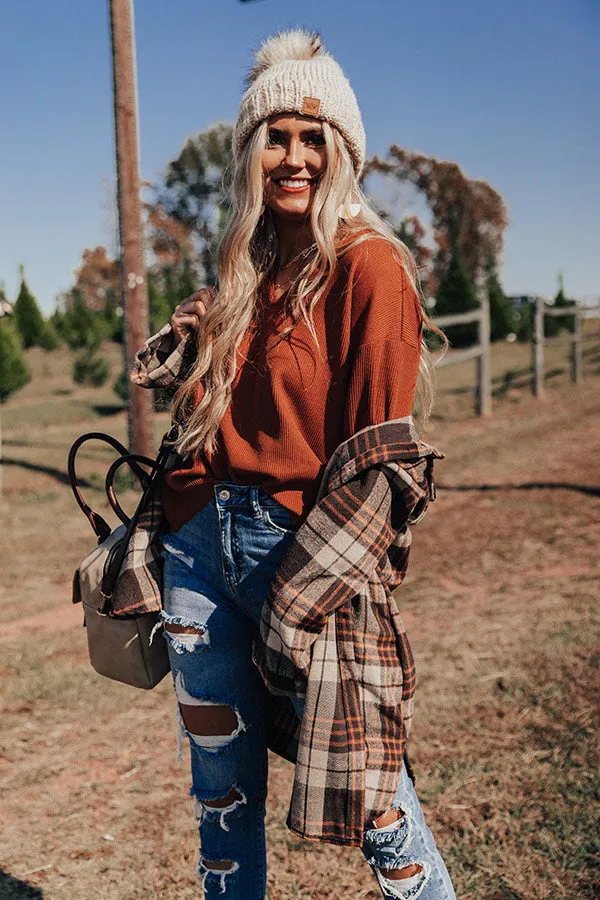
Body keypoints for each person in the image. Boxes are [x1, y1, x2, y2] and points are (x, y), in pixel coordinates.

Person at [132, 28, 456, 900]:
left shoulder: (371, 267)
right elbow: (224, 417)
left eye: (315, 139)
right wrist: (201, 343)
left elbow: (378, 467)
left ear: (343, 153)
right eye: (276, 136)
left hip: (305, 562)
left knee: (377, 803)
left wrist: (298, 595)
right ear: (250, 153)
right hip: (201, 555)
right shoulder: (250, 262)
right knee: (221, 802)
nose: (294, 156)